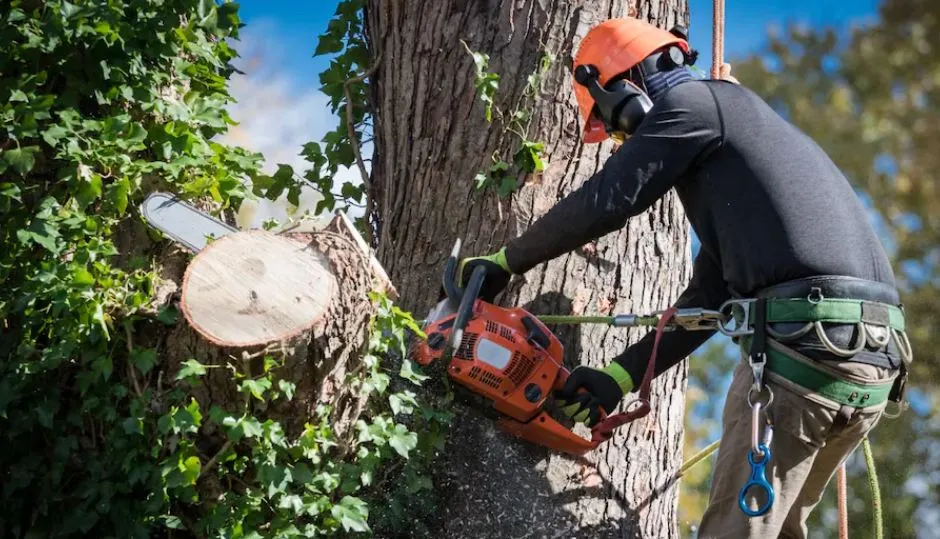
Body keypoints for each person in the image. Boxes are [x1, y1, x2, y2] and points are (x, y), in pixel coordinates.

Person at [456, 17, 912, 539]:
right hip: (868, 364)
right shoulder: (742, 152)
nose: (627, 142)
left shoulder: (692, 107)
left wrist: (504, 261)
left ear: (624, 91)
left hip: (803, 355)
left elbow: (607, 201)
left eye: (621, 129)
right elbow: (710, 300)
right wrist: (618, 379)